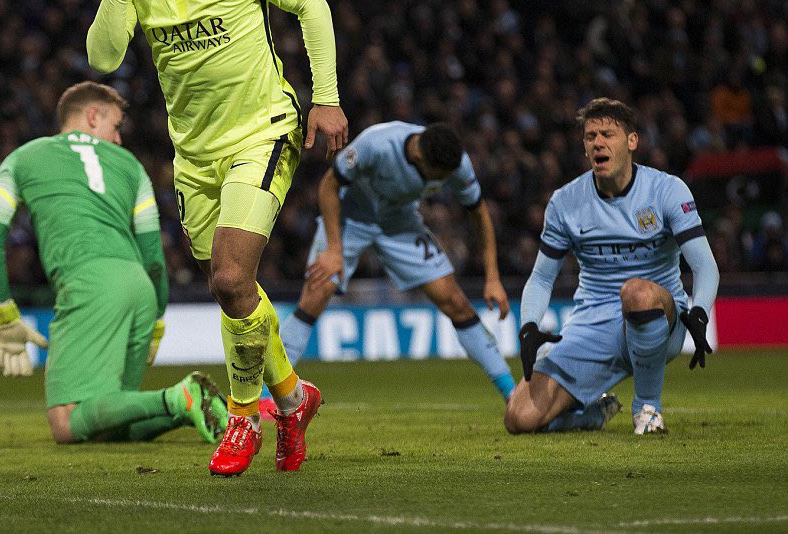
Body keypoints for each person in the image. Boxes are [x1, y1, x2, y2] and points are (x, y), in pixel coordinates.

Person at [83, 0, 348, 476]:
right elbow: (102, 59)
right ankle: (293, 397)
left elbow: (313, 5)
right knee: (234, 294)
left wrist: (327, 98)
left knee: (231, 277)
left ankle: (242, 417)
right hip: (195, 155)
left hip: (264, 131)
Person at [0, 81, 227, 445]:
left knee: (67, 421)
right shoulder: (132, 167)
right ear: (93, 116)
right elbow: (155, 257)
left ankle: (180, 395)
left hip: (90, 284)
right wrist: (155, 319)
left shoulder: (21, 158)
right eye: (117, 126)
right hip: (140, 286)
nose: (119, 139)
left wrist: (4, 313)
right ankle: (190, 409)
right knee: (108, 422)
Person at [504, 98, 719, 435]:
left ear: (632, 141)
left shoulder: (666, 190)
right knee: (519, 418)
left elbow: (705, 266)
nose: (598, 142)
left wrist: (700, 311)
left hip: (660, 316)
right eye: (591, 136)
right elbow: (542, 277)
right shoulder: (565, 202)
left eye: (608, 134)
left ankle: (648, 408)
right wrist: (529, 326)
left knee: (635, 292)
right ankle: (592, 414)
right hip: (593, 326)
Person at [269, 121, 515, 411]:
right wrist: (334, 250)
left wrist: (493, 278)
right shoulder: (376, 144)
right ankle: (264, 396)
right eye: (437, 179)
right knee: (315, 295)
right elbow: (328, 186)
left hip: (399, 222)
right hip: (350, 218)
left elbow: (479, 213)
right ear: (420, 158)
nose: (442, 185)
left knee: (455, 300)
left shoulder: (457, 162)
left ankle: (512, 394)